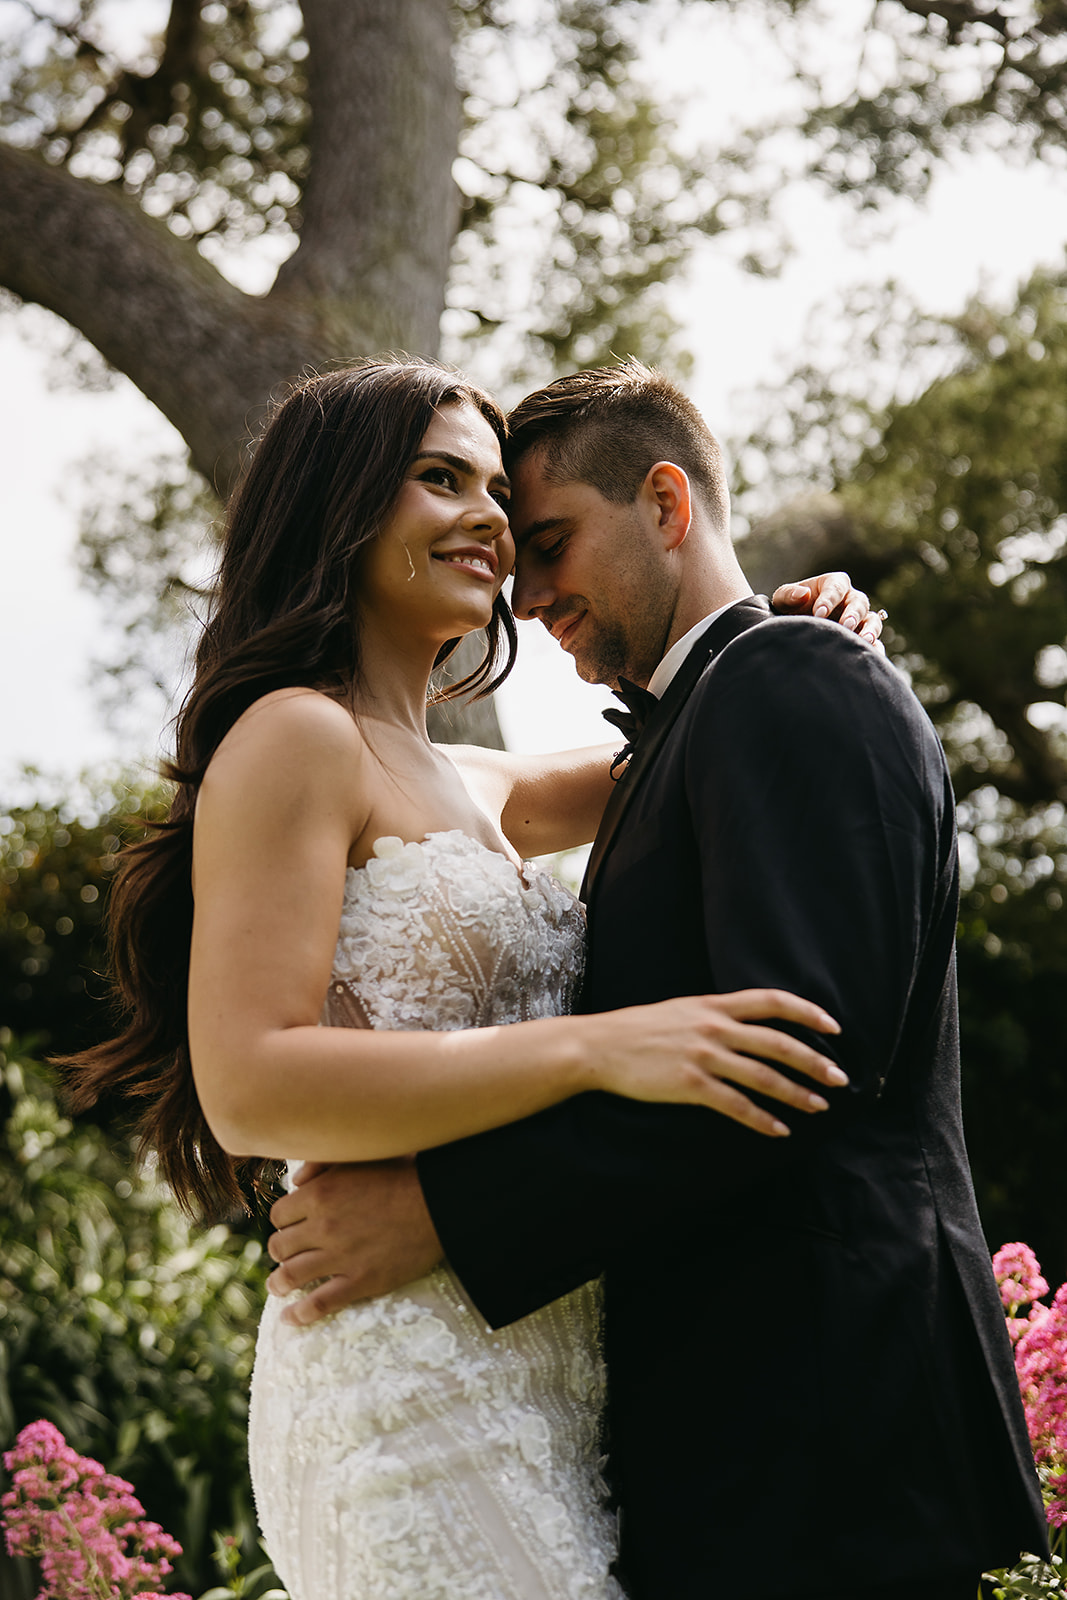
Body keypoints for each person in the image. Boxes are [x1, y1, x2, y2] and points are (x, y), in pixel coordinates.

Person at [64, 357, 886, 1600]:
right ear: (338, 503)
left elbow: (718, 729)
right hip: (402, 1388)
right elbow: (249, 1081)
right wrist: (591, 1048)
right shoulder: (295, 735)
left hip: (550, 1370)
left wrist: (788, 624)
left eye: (500, 492)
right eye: (440, 478)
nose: (492, 521)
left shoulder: (482, 780)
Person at [267, 362, 1050, 1600]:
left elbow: (798, 1063)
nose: (527, 597)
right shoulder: (703, 718)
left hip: (841, 1441)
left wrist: (451, 1217)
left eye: (552, 543)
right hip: (728, 1440)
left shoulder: (786, 681)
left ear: (668, 504)